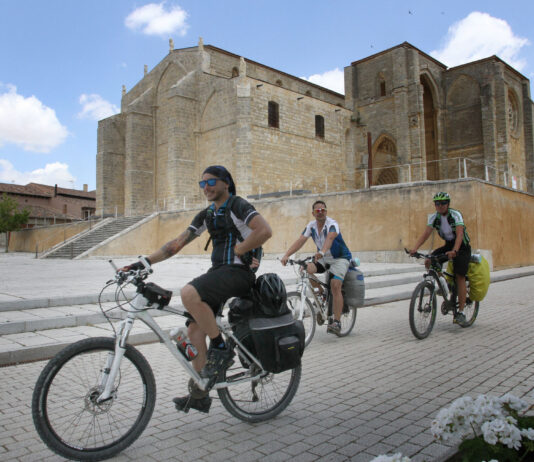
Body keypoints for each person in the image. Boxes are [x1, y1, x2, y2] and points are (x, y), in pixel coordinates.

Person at [123, 165, 272, 414]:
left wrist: (241, 250)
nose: (207, 188)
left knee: (189, 293)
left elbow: (265, 231)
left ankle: (221, 349)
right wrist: (144, 262)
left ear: (226, 183)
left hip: (239, 273)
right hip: (219, 273)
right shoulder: (206, 215)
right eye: (202, 184)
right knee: (193, 330)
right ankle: (201, 392)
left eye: (211, 182)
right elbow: (175, 245)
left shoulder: (237, 205)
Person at [281, 200, 352, 334]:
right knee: (305, 269)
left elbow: (330, 239)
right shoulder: (311, 226)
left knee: (335, 284)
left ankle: (336, 322)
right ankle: (321, 295)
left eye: (323, 210)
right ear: (313, 213)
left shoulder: (332, 224)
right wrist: (287, 255)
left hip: (340, 258)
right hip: (323, 258)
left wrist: (322, 252)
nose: (320, 213)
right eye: (317, 211)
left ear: (326, 211)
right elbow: (301, 240)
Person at [409, 192, 471, 324]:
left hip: (462, 247)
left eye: (443, 203)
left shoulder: (455, 214)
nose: (440, 206)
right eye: (437, 204)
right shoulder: (434, 218)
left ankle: (460, 312)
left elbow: (459, 234)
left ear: (448, 204)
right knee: (429, 261)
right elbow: (426, 233)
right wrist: (415, 248)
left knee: (460, 275)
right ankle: (443, 283)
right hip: (448, 245)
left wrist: (455, 250)